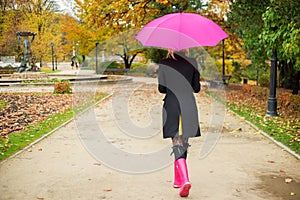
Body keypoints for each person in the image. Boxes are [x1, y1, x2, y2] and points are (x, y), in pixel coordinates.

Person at [158, 49, 201, 197]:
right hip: (188, 105)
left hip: (172, 105)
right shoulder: (193, 62)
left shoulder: (164, 63)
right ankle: (178, 179)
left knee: (176, 142)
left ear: (170, 48)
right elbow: (196, 88)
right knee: (184, 142)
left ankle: (185, 180)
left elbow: (161, 89)